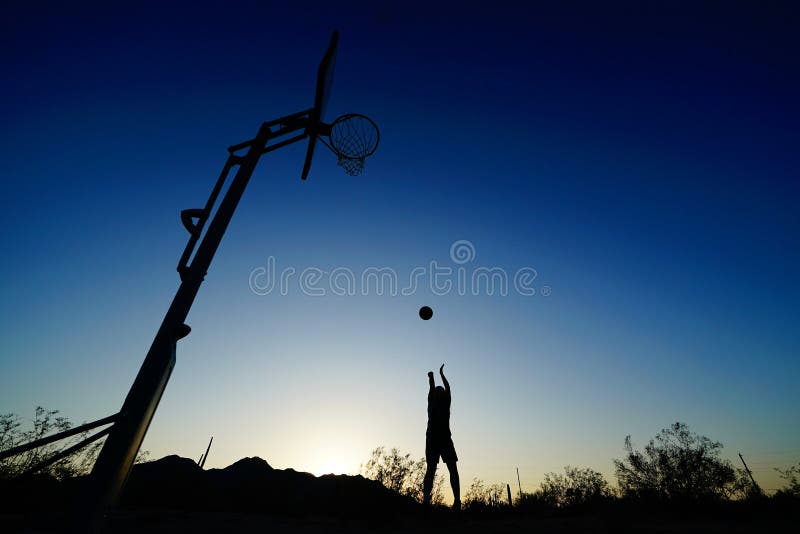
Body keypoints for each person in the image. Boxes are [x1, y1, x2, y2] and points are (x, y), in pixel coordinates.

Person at [424, 364, 460, 509]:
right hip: (432, 438)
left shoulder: (446, 402)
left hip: (445, 438)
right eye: (437, 390)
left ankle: (457, 501)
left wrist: (441, 374)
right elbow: (432, 387)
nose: (439, 390)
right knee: (431, 469)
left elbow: (448, 388)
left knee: (453, 468)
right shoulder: (431, 402)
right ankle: (426, 500)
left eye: (441, 389)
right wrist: (432, 377)